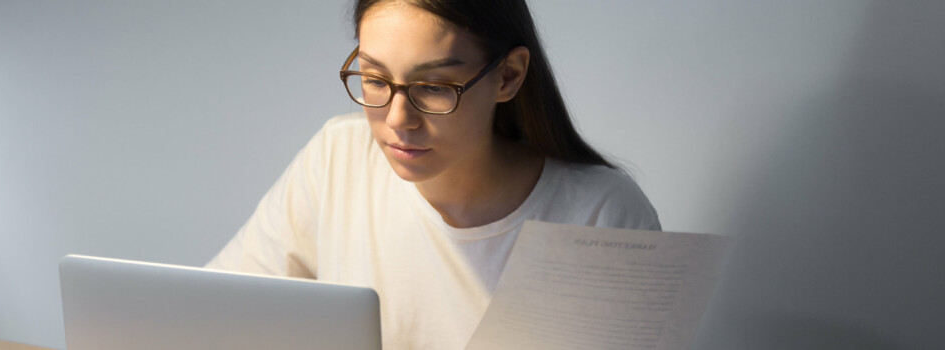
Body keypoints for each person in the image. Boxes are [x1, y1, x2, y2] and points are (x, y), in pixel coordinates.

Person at [207, 0, 660, 349]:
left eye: (434, 87)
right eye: (375, 79)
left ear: (508, 76)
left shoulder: (601, 212)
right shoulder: (338, 158)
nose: (398, 118)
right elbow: (211, 318)